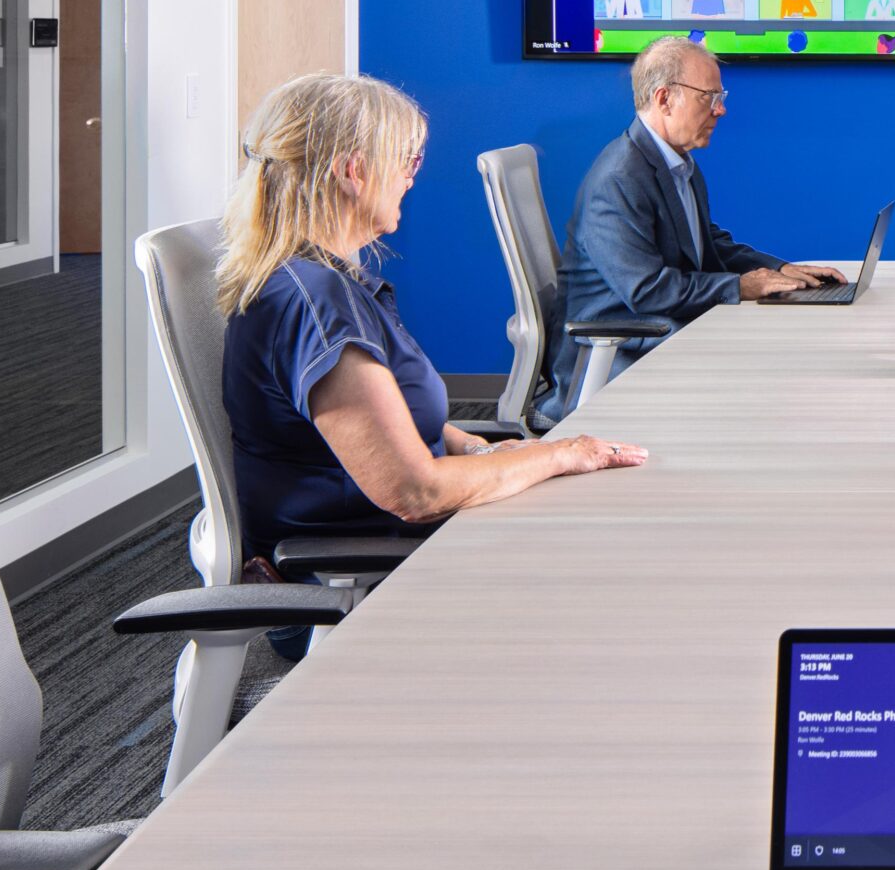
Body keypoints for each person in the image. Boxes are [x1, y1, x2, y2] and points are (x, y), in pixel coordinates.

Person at [217, 73, 646, 574]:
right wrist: (560, 455)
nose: (411, 177)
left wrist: (472, 446)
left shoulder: (315, 280)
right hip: (369, 567)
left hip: (394, 540)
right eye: (407, 160)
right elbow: (415, 492)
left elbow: (375, 417)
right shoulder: (316, 302)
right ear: (353, 171)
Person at [554, 38, 846, 394]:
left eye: (720, 98)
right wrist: (740, 286)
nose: (719, 110)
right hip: (622, 351)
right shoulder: (620, 180)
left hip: (659, 329)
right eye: (709, 97)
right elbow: (648, 291)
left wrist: (781, 269)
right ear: (664, 99)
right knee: (772, 356)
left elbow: (707, 244)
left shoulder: (676, 164)